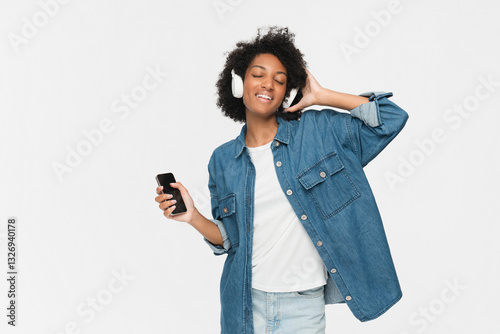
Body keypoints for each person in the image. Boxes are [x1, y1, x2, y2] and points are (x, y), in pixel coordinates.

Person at [155, 26, 409, 333]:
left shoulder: (318, 132)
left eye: (280, 80)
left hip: (303, 305)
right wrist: (192, 216)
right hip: (245, 305)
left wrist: (323, 96)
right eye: (258, 75)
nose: (268, 85)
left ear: (288, 92)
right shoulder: (222, 160)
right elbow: (230, 241)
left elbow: (390, 118)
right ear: (239, 83)